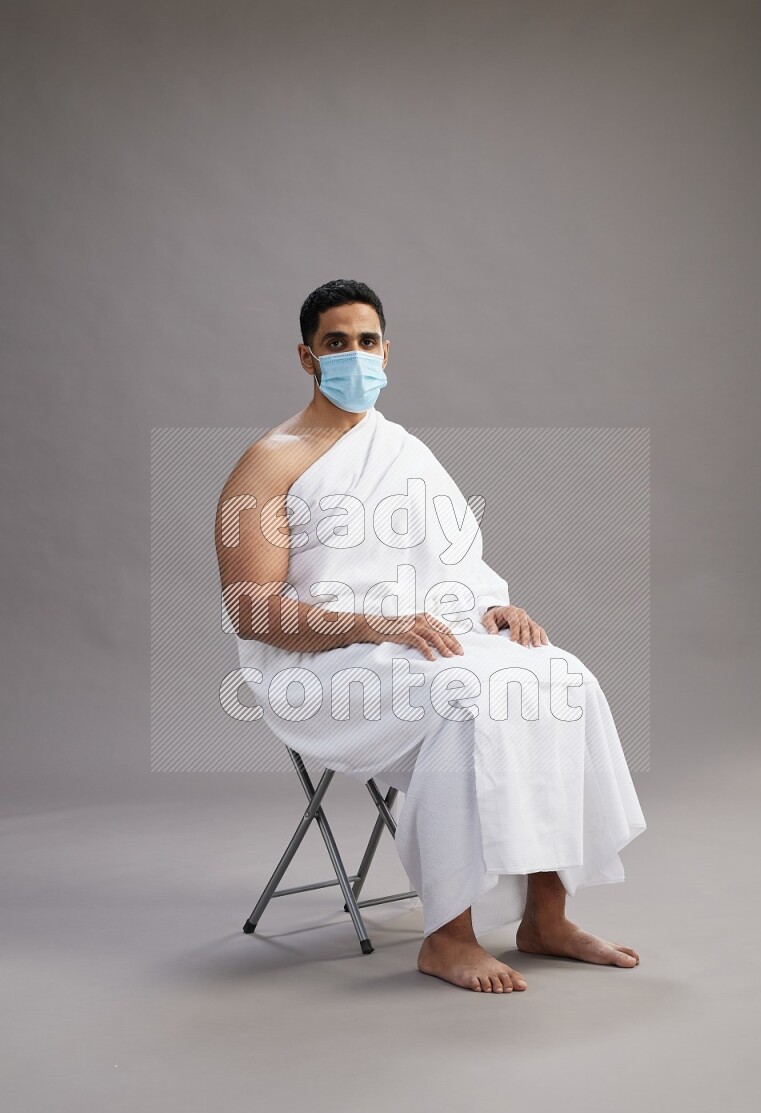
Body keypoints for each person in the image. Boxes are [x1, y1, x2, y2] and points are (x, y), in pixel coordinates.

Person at [215, 278, 646, 994]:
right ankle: (447, 936)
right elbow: (253, 612)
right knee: (465, 699)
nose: (355, 355)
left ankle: (547, 917)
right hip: (319, 662)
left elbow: (456, 571)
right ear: (305, 355)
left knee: (562, 678)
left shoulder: (402, 451)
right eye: (336, 343)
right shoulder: (270, 461)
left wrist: (494, 610)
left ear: (387, 349)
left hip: (419, 637)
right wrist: (374, 623)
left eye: (367, 341)